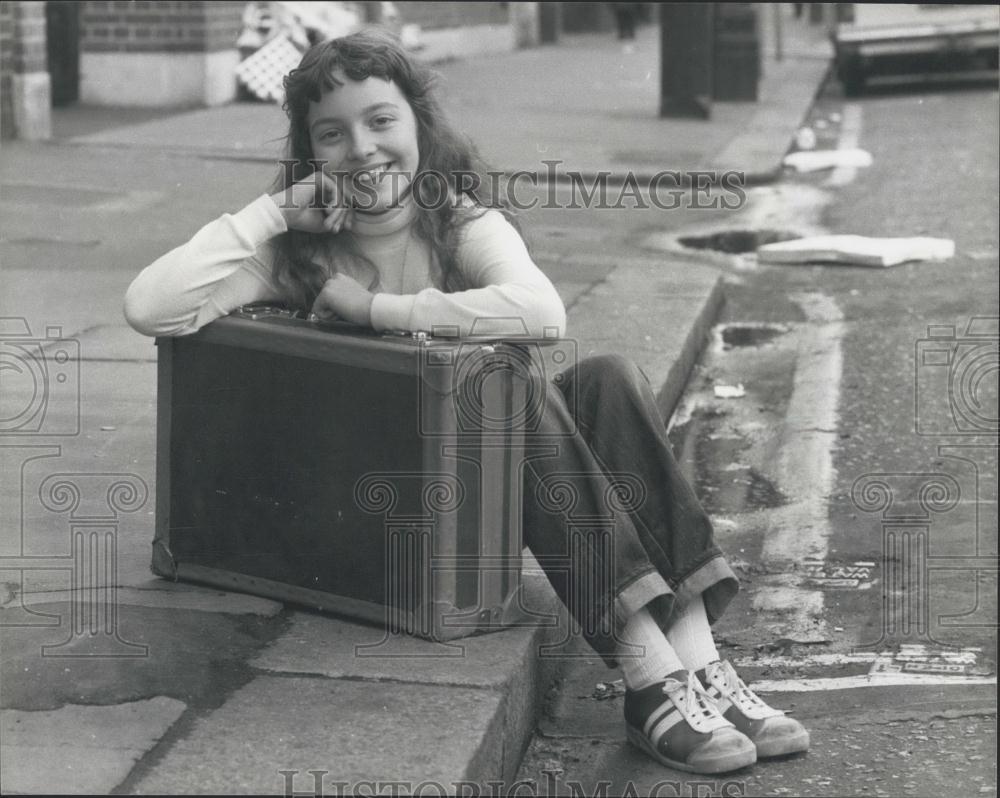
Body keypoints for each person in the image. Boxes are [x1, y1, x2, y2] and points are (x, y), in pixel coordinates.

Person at [123, 29, 809, 775]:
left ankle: (700, 667)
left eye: (381, 121)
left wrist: (378, 311)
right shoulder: (295, 251)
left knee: (609, 377)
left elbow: (543, 314)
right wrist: (267, 215)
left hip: (480, 493)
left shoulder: (456, 220)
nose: (362, 149)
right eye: (333, 134)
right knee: (503, 387)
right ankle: (649, 675)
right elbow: (149, 305)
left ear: (418, 123)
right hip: (394, 501)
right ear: (310, 153)